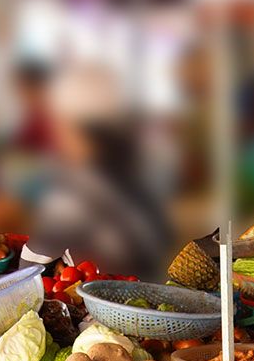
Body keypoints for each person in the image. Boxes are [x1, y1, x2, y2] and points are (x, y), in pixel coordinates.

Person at [26, 64, 172, 279]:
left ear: (74, 129)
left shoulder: (75, 187)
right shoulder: (138, 172)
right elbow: (163, 236)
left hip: (108, 303)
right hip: (151, 290)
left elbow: (30, 266)